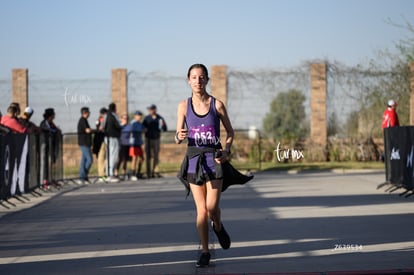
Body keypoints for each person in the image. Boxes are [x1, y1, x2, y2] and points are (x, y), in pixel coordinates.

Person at [175, 64, 234, 268]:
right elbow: (178, 135)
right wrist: (178, 136)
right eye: (194, 77)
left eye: (201, 77)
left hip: (213, 159)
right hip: (193, 159)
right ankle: (205, 251)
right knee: (201, 210)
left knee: (211, 208)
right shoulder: (183, 105)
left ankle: (217, 225)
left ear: (207, 80)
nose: (198, 81)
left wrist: (226, 151)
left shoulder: (217, 105)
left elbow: (230, 133)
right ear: (188, 80)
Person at [143, 104, 167, 178]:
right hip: (148, 139)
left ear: (154, 110)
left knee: (156, 155)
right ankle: (148, 172)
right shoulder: (146, 118)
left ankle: (154, 171)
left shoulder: (159, 118)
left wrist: (163, 125)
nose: (150, 111)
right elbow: (143, 127)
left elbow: (165, 129)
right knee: (148, 156)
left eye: (151, 109)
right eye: (149, 110)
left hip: (156, 139)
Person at [39, 108, 60, 189]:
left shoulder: (51, 123)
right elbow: (47, 131)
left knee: (51, 163)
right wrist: (53, 131)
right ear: (49, 116)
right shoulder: (44, 123)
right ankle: (44, 180)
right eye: (53, 115)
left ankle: (51, 179)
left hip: (52, 147)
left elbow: (55, 130)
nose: (54, 116)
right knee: (44, 164)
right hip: (45, 146)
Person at [103, 103, 122, 183]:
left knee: (109, 155)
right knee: (114, 155)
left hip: (107, 137)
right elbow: (118, 125)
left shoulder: (106, 116)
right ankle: (110, 174)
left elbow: (102, 126)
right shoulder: (113, 116)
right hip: (113, 137)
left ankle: (108, 173)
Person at [77, 107, 93, 184]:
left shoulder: (85, 120)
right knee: (89, 160)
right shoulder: (82, 120)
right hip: (84, 143)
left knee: (83, 161)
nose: (89, 114)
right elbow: (87, 130)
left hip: (86, 143)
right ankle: (83, 176)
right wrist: (95, 130)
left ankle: (83, 177)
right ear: (85, 113)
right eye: (88, 112)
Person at [93, 107, 108, 182]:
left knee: (105, 158)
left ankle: (103, 174)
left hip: (103, 140)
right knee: (101, 158)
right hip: (101, 140)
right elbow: (100, 129)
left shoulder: (101, 120)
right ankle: (101, 175)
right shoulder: (101, 120)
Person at [129, 111, 145, 180]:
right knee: (134, 158)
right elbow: (138, 130)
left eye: (140, 116)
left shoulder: (140, 123)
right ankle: (133, 173)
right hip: (133, 143)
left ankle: (138, 172)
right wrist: (142, 130)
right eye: (138, 115)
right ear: (135, 116)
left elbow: (144, 129)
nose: (139, 117)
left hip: (139, 143)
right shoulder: (133, 123)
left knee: (141, 158)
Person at [118, 114, 132, 180]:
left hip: (128, 144)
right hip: (121, 144)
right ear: (121, 119)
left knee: (125, 159)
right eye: (124, 118)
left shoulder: (129, 126)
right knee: (121, 159)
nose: (125, 120)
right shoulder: (120, 126)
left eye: (126, 119)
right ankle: (116, 172)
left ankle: (124, 172)